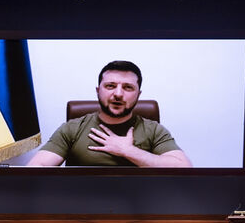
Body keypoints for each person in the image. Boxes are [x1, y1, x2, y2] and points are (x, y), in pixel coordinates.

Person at [27, 60, 191, 167]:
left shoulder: (154, 130)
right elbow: (36, 168)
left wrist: (128, 151)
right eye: (110, 86)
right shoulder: (72, 128)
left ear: (138, 94)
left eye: (127, 87)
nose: (118, 94)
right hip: (82, 209)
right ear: (98, 91)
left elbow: (184, 168)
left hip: (139, 210)